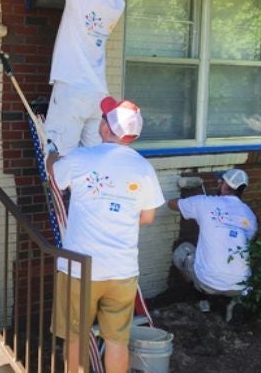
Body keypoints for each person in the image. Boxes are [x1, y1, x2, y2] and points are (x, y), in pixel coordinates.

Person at [47, 96, 164, 373]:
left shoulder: (81, 158)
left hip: (80, 268)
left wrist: (51, 153)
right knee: (116, 341)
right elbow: (147, 217)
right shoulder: (143, 168)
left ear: (105, 128)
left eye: (103, 118)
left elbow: (54, 176)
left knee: (75, 337)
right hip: (122, 269)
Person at [38, 0, 125, 156]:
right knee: (93, 157)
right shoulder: (117, 2)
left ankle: (60, 189)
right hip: (97, 93)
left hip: (72, 88)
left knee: (57, 155)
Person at [168, 169, 257, 310]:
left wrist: (195, 204)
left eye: (221, 181)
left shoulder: (205, 203)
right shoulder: (249, 215)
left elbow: (172, 204)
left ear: (225, 186)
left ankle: (202, 299)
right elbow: (244, 243)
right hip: (239, 285)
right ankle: (231, 301)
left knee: (182, 251)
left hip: (208, 283)